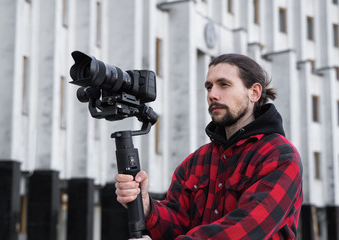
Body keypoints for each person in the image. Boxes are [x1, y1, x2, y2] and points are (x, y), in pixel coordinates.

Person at [115, 53, 303, 240]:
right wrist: (147, 207)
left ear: (254, 92)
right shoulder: (195, 162)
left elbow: (246, 230)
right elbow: (178, 225)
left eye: (224, 85)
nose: (212, 94)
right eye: (208, 87)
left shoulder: (279, 156)